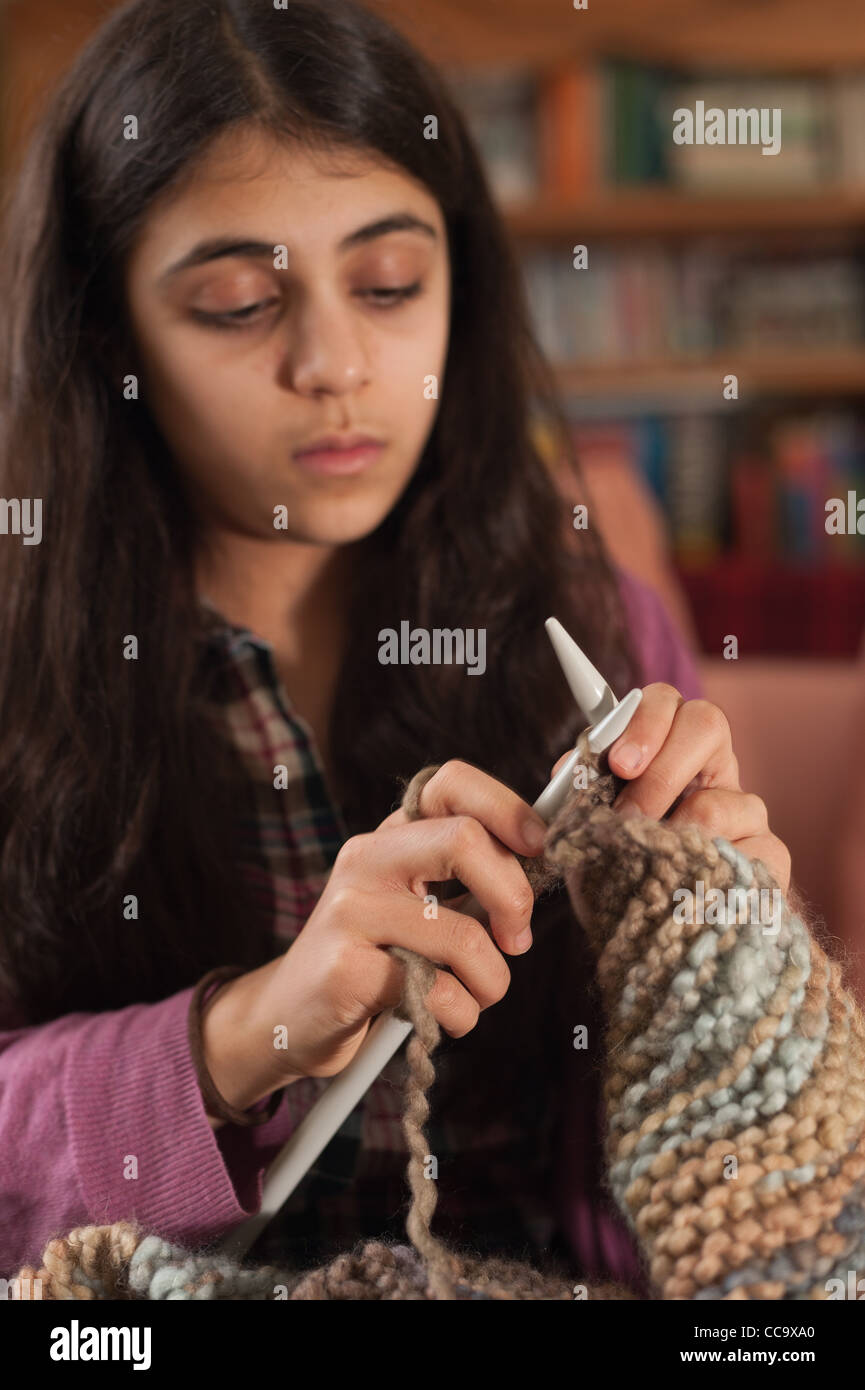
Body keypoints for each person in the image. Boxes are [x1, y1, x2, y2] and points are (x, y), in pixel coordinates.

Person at [0, 0, 791, 1290]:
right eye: (239, 303)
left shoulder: (595, 627)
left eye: (389, 285)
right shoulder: (29, 666)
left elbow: (682, 1209)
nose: (337, 362)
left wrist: (717, 967)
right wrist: (250, 1030)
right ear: (107, 336)